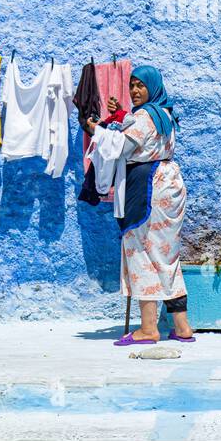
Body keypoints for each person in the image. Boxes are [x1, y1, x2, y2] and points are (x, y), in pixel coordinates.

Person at [81, 65, 193, 345]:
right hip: (169, 182)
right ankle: (182, 327)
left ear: (152, 86)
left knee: (141, 251)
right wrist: (122, 115)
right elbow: (138, 133)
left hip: (148, 186)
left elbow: (121, 147)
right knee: (166, 254)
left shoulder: (145, 117)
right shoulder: (163, 113)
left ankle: (147, 329)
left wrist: (96, 130)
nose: (134, 90)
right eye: (132, 85)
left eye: (140, 85)